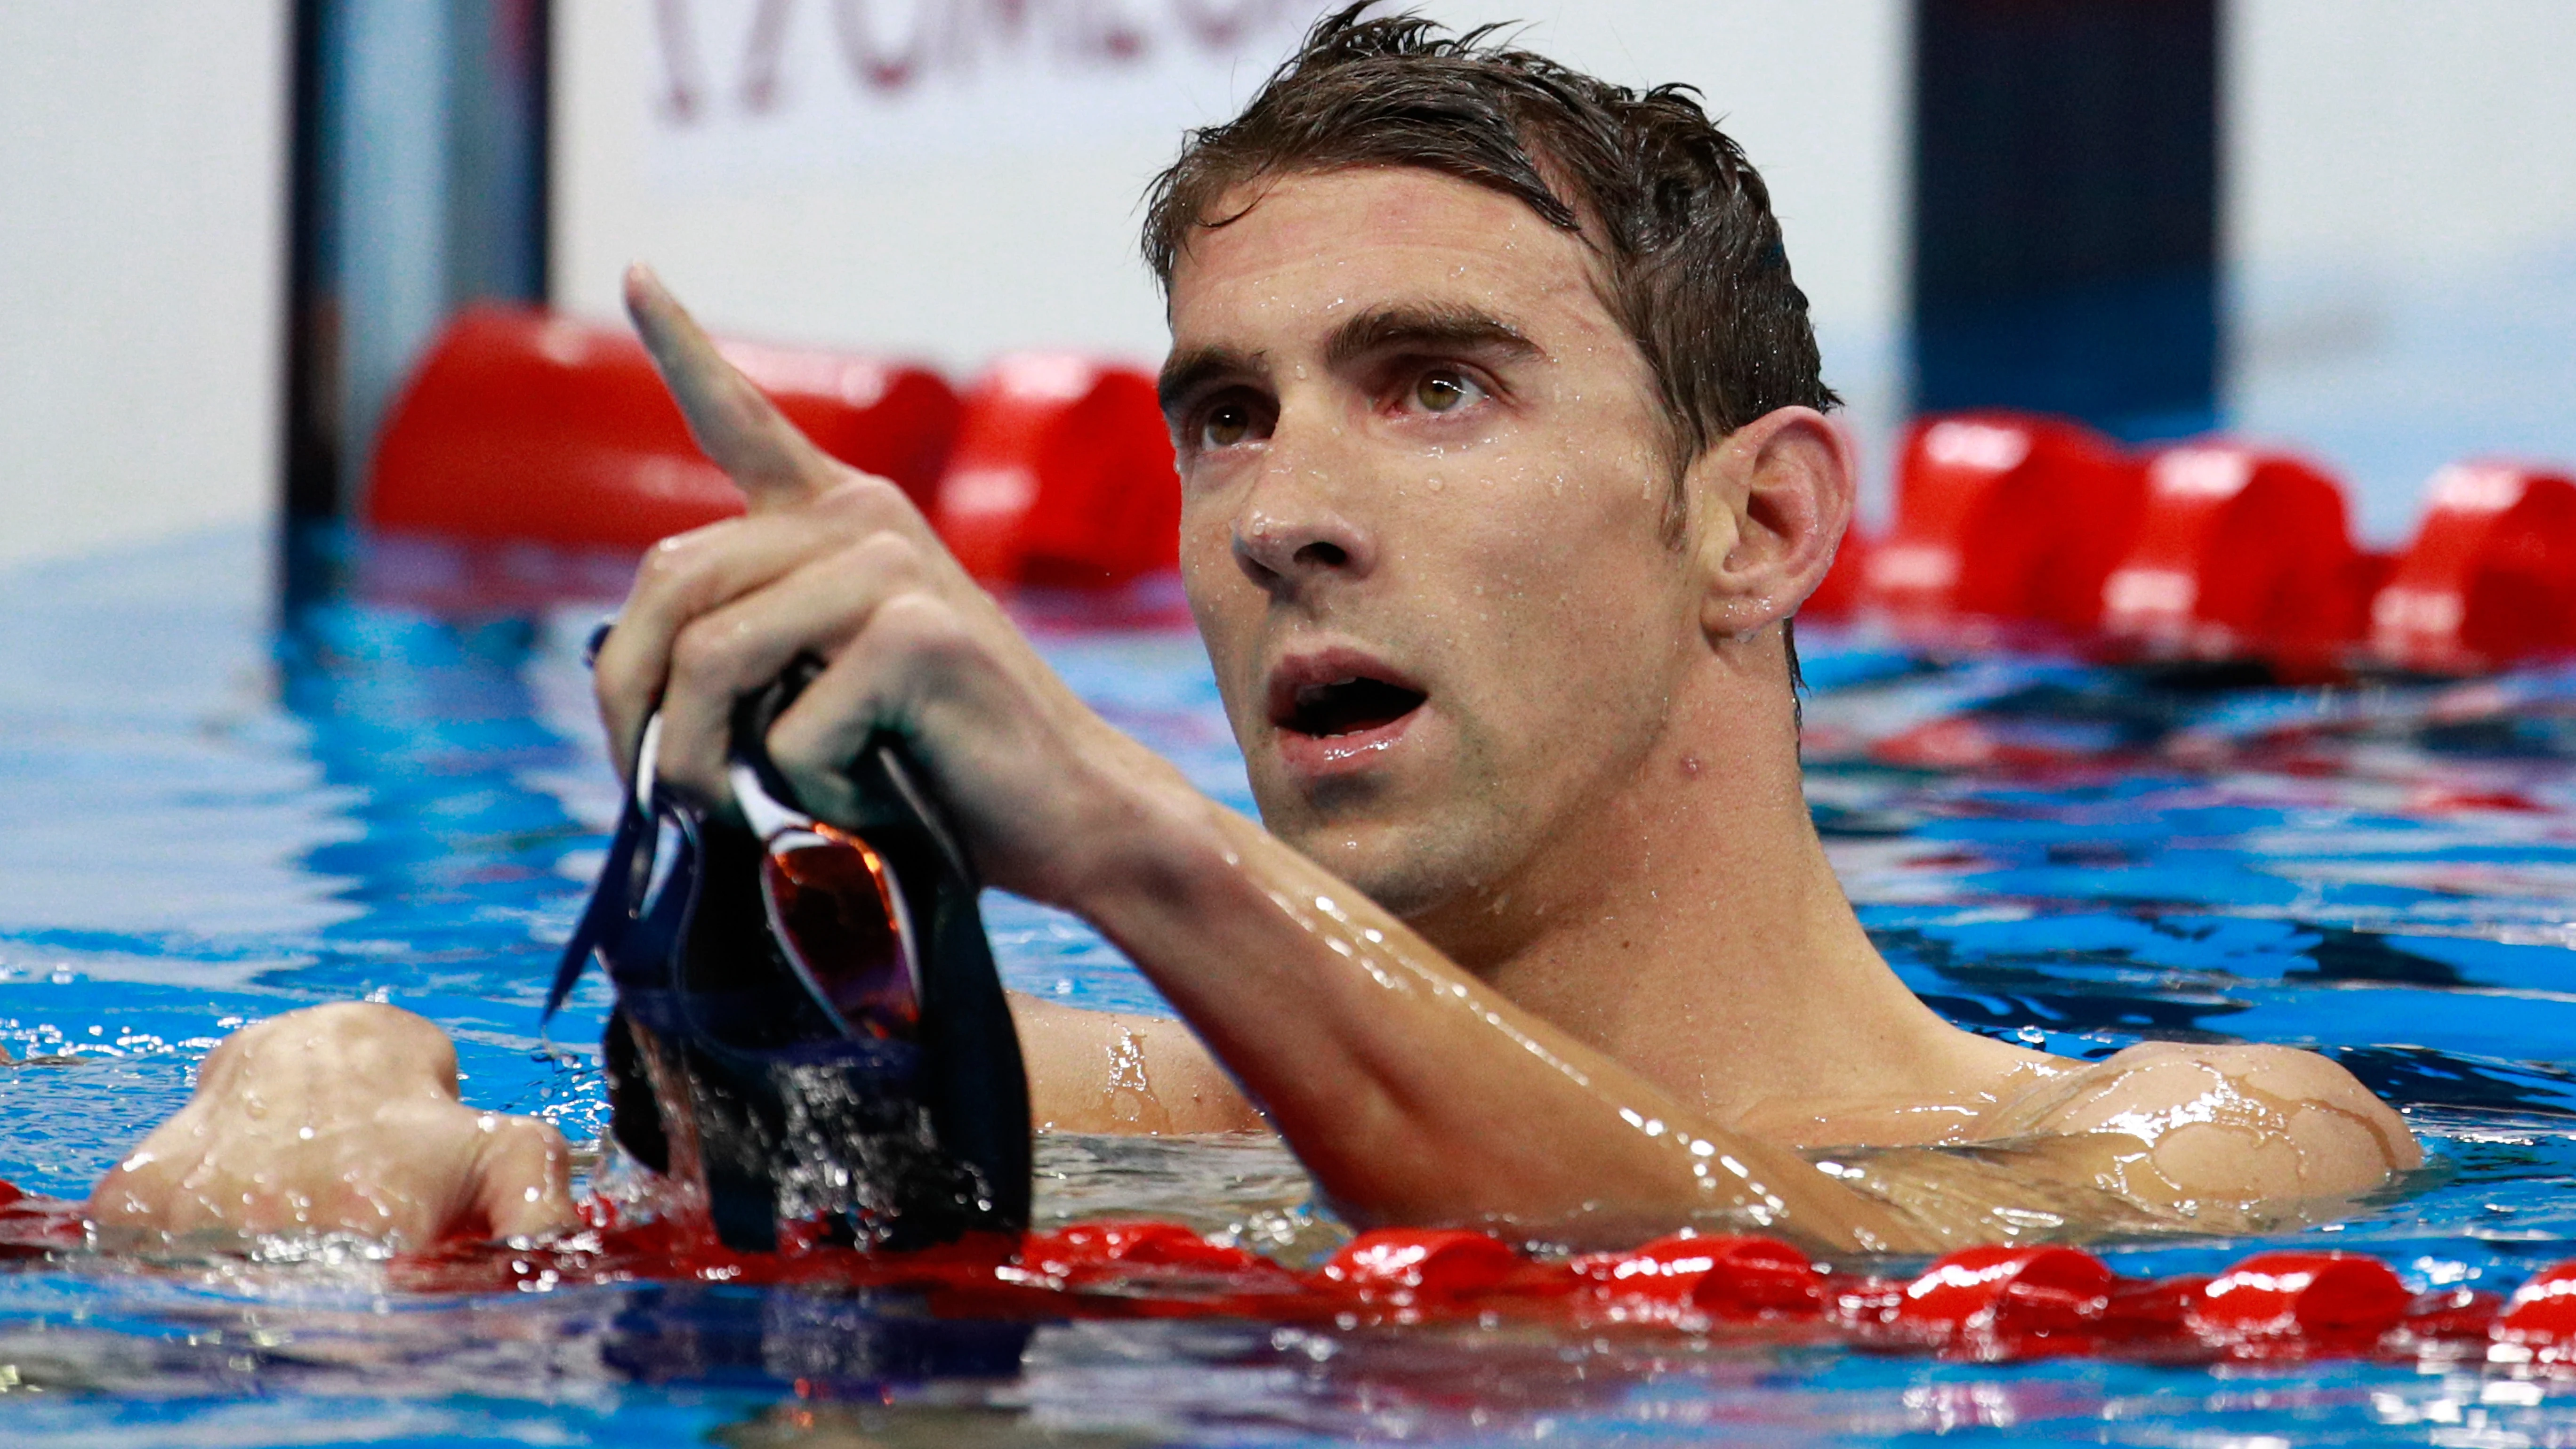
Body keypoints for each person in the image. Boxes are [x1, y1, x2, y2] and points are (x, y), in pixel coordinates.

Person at [87, 8, 2416, 1256]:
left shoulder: (2192, 1154)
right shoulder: (1102, 1121)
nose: (1287, 513)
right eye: (1224, 417)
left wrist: (1126, 839)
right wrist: (297, 1191)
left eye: (1438, 387)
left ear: (1765, 523)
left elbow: (1771, 1272)